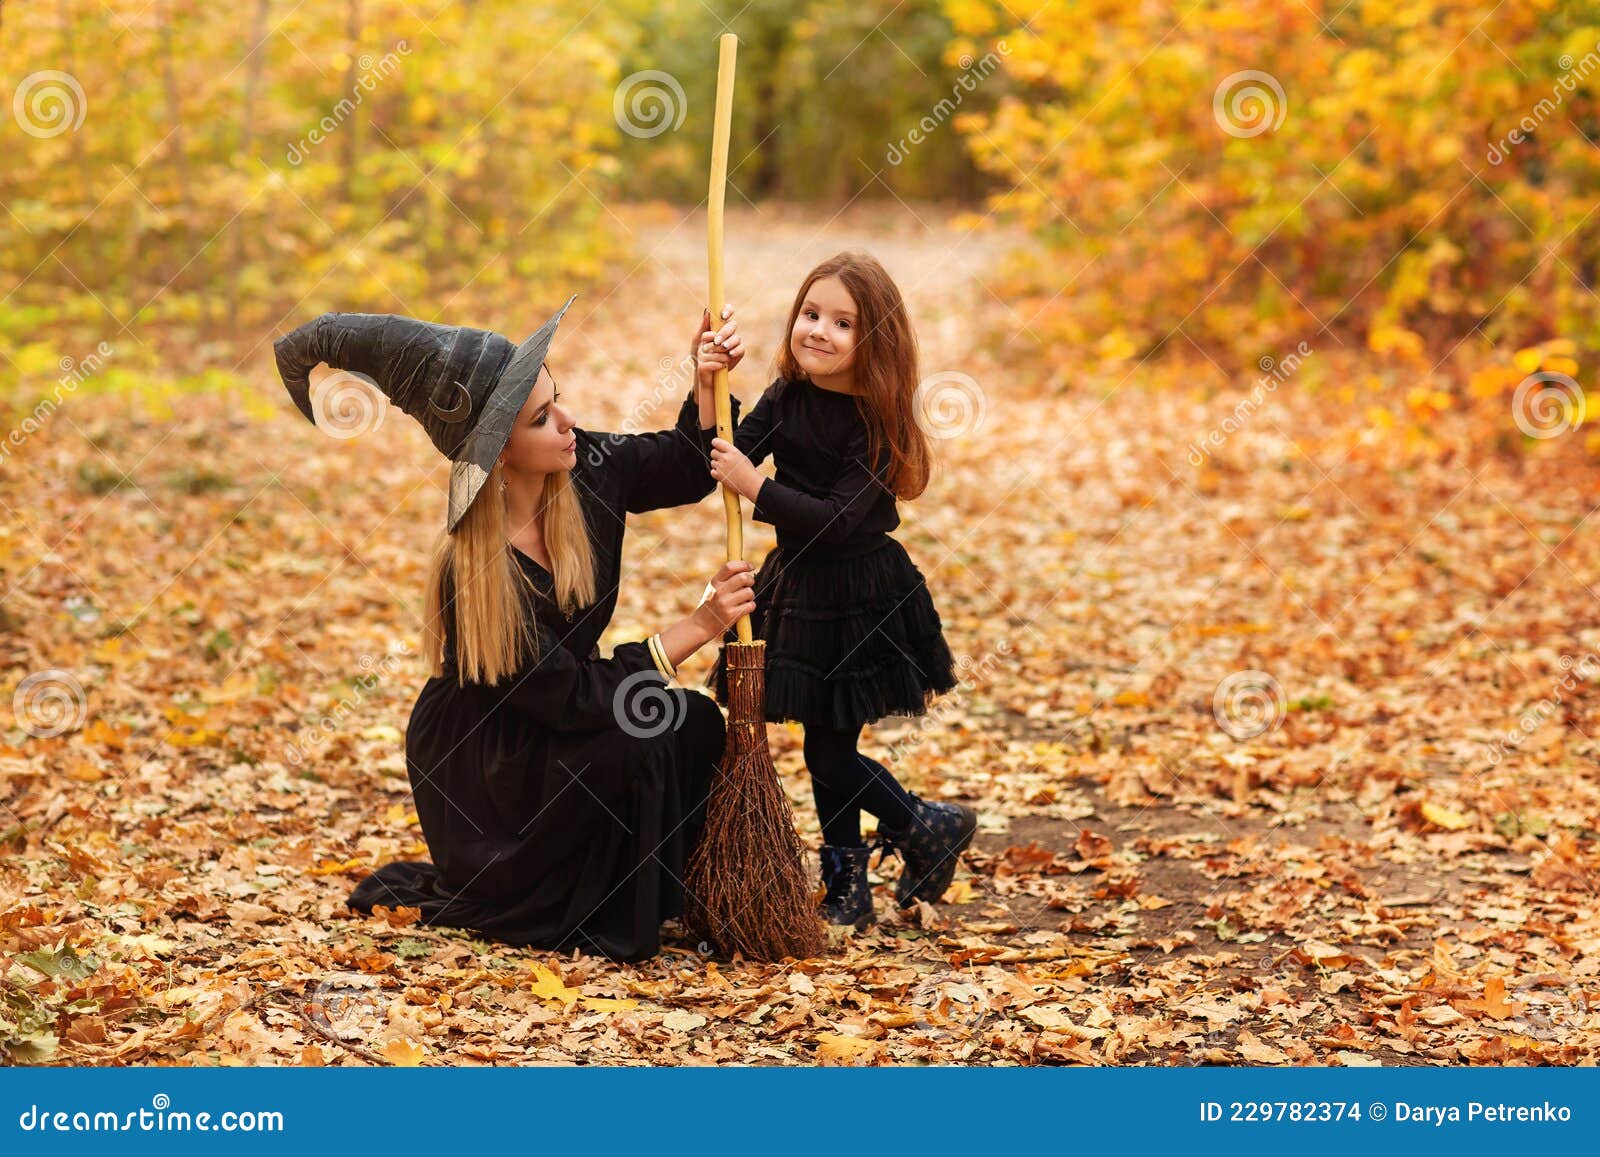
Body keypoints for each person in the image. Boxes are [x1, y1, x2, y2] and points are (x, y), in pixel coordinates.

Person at [273, 299, 755, 961]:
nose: (568, 422)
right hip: (491, 771)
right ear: (498, 454)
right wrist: (701, 623)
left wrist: (705, 383)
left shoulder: (584, 469)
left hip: (566, 716)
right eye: (541, 418)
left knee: (692, 722)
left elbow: (678, 464)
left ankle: (663, 893)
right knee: (640, 739)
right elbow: (576, 699)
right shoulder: (479, 574)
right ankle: (587, 904)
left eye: (558, 399)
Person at [702, 251, 976, 931]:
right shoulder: (789, 396)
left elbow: (836, 518)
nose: (818, 330)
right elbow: (731, 445)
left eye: (842, 322)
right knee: (821, 734)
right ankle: (849, 885)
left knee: (829, 744)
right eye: (811, 313)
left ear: (874, 341)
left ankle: (922, 821)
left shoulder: (876, 424)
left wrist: (754, 486)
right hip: (796, 585)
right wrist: (710, 380)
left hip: (860, 591)